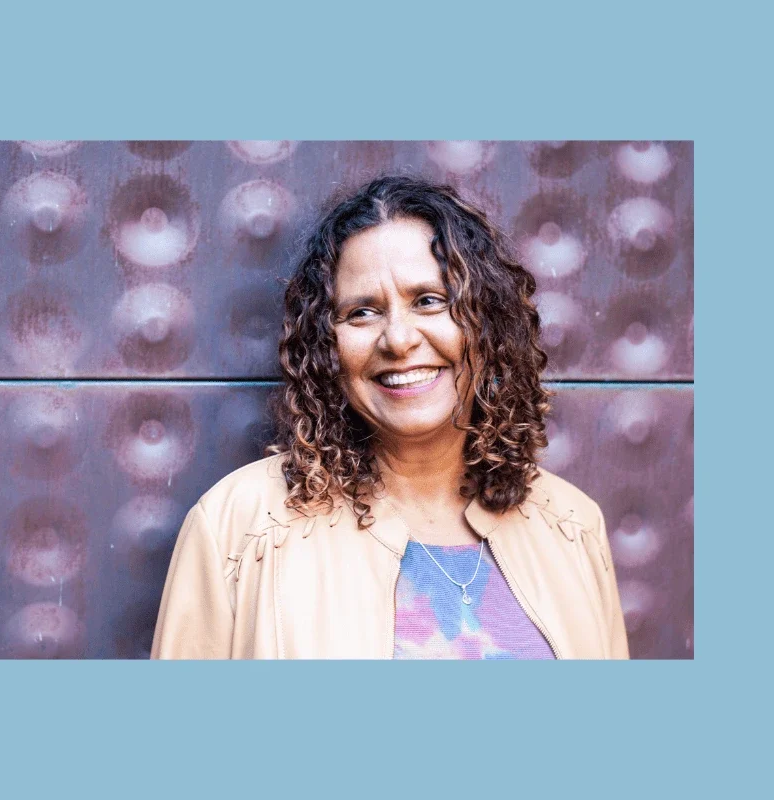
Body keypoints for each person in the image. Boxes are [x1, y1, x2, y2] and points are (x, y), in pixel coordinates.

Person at [150, 176, 628, 659]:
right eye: (361, 312)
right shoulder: (237, 527)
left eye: (429, 301)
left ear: (488, 322)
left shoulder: (573, 526)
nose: (398, 340)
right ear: (326, 345)